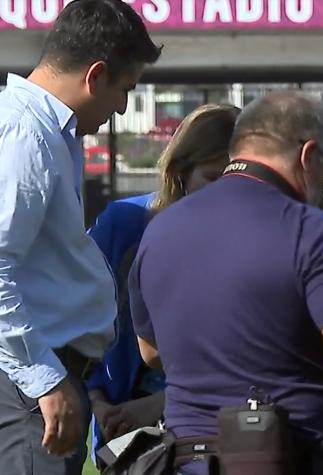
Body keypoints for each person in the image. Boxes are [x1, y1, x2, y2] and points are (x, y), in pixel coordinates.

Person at [128, 91, 323, 474]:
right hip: (290, 456)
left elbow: (151, 350)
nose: (321, 187)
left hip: (187, 460)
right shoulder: (309, 229)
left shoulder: (160, 229)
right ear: (309, 156)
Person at [0, 1, 160, 474]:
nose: (122, 108)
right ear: (95, 76)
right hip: (29, 388)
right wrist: (46, 381)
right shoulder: (25, 134)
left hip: (39, 381)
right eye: (125, 89)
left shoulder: (45, 132)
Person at [86, 104, 239, 460]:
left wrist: (164, 403)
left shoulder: (259, 238)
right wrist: (95, 398)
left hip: (218, 428)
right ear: (181, 173)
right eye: (214, 178)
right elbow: (82, 315)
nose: (228, 195)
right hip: (124, 422)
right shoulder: (123, 225)